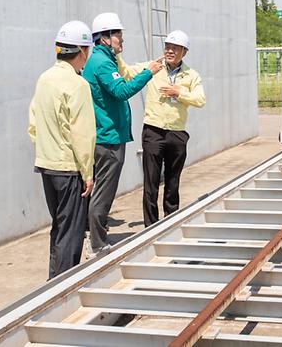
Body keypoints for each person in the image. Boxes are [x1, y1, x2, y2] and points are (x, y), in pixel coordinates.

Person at [82, 13, 163, 257]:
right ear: (104, 37)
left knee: (98, 191)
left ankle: (93, 237)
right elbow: (122, 91)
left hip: (106, 135)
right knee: (103, 193)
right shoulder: (103, 63)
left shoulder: (102, 59)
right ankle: (97, 245)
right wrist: (149, 73)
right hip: (108, 138)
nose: (121, 39)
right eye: (118, 35)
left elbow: (123, 78)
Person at [27, 20, 96, 279]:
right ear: (81, 52)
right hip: (69, 168)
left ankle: (52, 281)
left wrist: (47, 148)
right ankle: (62, 290)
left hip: (46, 165)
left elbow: (33, 122)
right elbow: (83, 133)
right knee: (72, 232)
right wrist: (87, 172)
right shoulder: (78, 85)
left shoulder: (44, 79)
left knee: (59, 227)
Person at [118, 30, 205, 227]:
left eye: (175, 48)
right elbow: (126, 72)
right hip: (153, 132)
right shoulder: (154, 67)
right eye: (167, 47)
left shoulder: (191, 75)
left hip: (177, 134)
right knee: (151, 183)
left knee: (173, 183)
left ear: (184, 52)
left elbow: (200, 99)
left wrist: (179, 92)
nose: (170, 51)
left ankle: (171, 222)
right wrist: (116, 53)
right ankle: (150, 227)